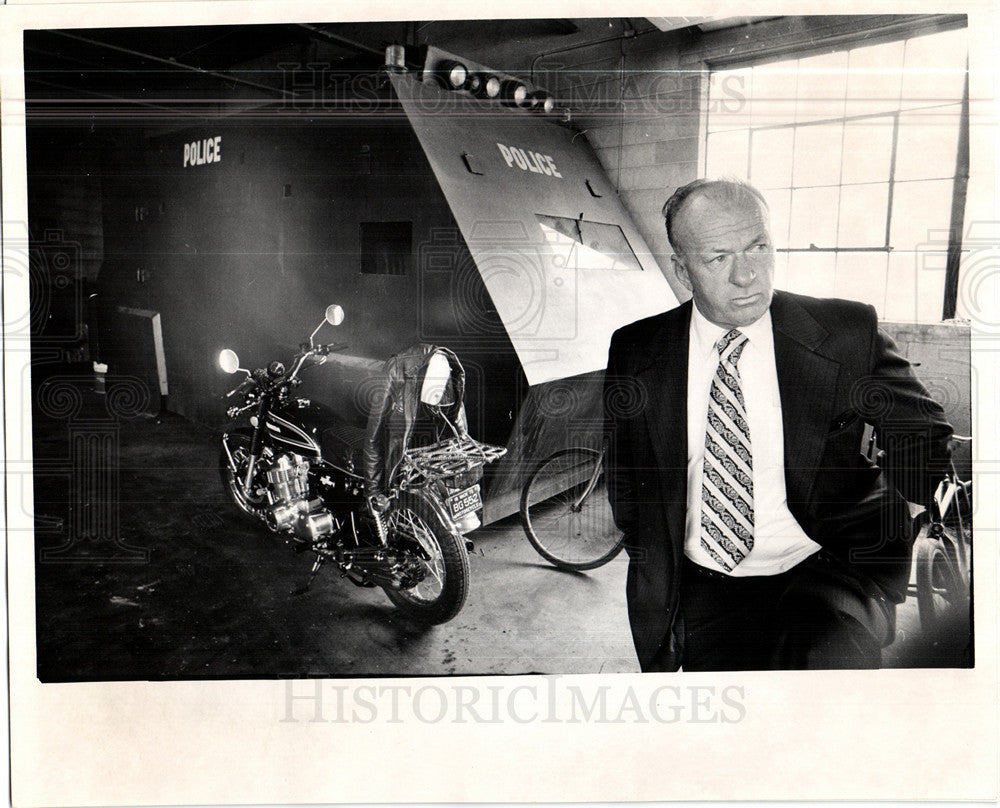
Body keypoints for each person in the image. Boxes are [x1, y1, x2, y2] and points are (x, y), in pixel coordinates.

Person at [604, 178, 953, 671]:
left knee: (829, 719)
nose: (746, 275)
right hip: (703, 588)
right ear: (683, 271)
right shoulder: (637, 349)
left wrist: (902, 517)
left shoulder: (845, 333)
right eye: (718, 258)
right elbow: (625, 473)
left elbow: (924, 433)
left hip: (827, 573)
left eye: (758, 247)